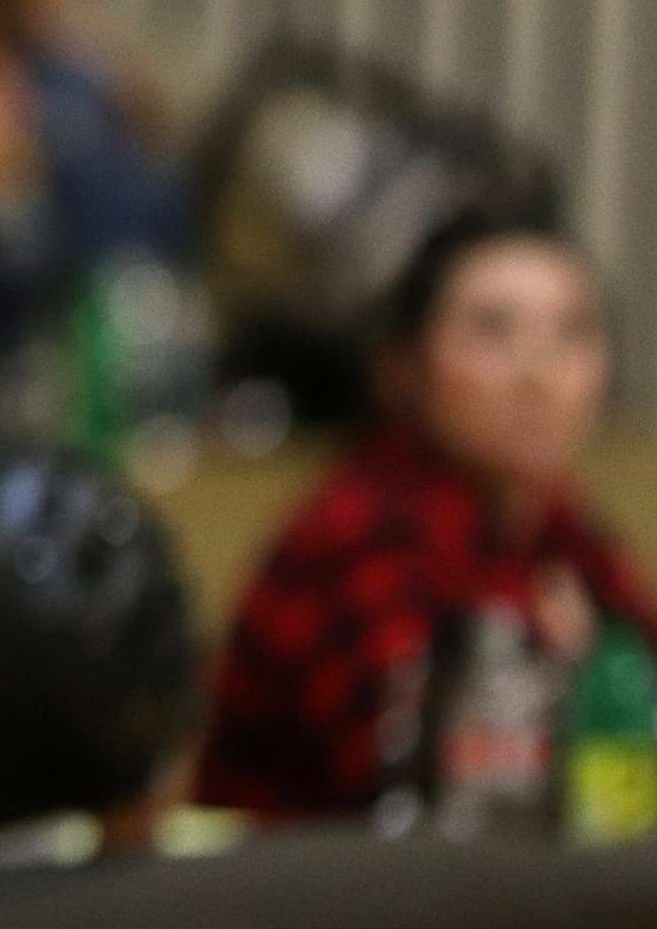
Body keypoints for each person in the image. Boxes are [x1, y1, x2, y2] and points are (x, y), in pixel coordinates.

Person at [197, 205, 657, 819]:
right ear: (402, 370)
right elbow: (428, 780)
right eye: (493, 331)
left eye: (573, 332)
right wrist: (575, 676)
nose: (538, 371)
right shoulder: (361, 532)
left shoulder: (558, 527)